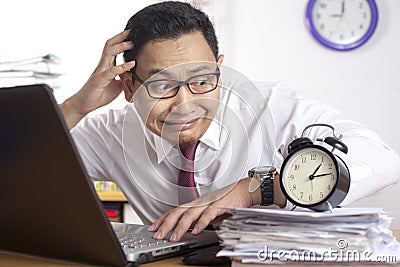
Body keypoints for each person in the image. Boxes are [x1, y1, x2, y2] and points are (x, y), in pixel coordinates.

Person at [60, 1, 400, 242]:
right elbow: (16, 168)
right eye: (162, 85)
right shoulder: (111, 134)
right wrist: (77, 106)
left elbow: (385, 162)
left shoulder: (271, 108)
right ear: (129, 87)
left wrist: (256, 190)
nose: (186, 104)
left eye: (202, 80)